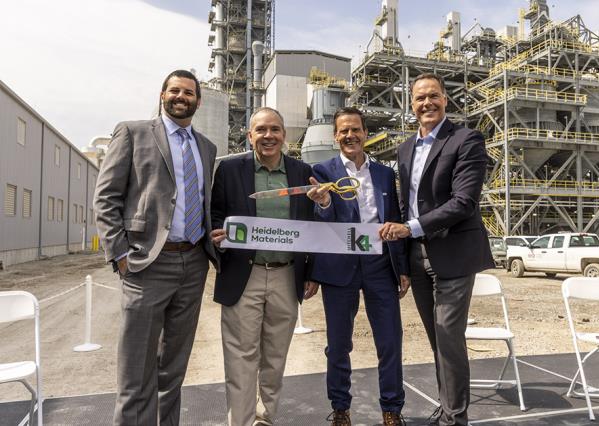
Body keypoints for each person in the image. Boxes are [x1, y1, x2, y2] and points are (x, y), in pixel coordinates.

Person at [94, 69, 219, 425]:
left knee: (173, 370)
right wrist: (119, 255)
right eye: (175, 90)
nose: (182, 97)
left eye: (189, 92)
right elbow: (106, 198)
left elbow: (204, 202)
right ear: (162, 94)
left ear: (198, 100)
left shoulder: (206, 148)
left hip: (193, 263)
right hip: (146, 264)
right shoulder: (133, 132)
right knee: (136, 371)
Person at [379, 73, 494, 425]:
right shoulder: (405, 148)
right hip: (417, 256)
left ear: (445, 99)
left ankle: (455, 418)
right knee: (436, 340)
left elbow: (463, 202)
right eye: (419, 98)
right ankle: (448, 408)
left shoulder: (466, 139)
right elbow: (403, 202)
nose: (426, 103)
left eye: (433, 96)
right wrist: (401, 257)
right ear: (411, 105)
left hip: (454, 253)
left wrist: (410, 228)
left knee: (448, 337)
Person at [210, 107, 319, 426]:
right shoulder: (230, 169)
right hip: (245, 276)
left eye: (275, 129)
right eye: (261, 130)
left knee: (274, 358)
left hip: (287, 275)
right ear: (250, 135)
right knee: (241, 359)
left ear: (284, 135)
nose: (268, 136)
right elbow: (216, 214)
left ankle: (265, 419)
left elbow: (312, 225)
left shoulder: (302, 171)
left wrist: (311, 272)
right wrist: (219, 233)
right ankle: (241, 422)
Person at [307, 107, 410, 426]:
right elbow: (317, 222)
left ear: (366, 133)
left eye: (356, 130)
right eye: (343, 131)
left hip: (380, 265)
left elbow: (395, 218)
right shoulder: (322, 171)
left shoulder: (384, 174)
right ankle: (340, 408)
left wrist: (402, 266)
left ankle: (391, 409)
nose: (350, 135)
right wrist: (323, 204)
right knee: (339, 343)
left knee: (390, 340)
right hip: (339, 266)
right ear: (335, 136)